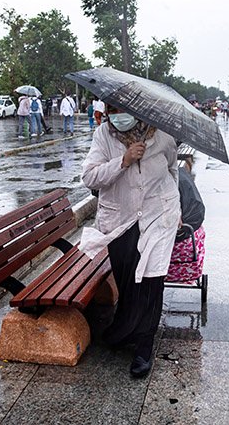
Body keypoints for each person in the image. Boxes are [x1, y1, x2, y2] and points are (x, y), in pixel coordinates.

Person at [81, 105, 180, 378]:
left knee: (151, 281)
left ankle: (144, 346)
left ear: (138, 111)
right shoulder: (104, 134)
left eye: (122, 110)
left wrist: (177, 209)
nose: (117, 114)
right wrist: (123, 161)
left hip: (158, 216)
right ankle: (125, 329)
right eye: (111, 109)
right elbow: (89, 177)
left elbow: (173, 171)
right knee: (127, 280)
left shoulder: (162, 137)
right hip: (120, 220)